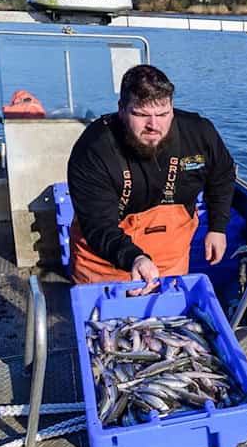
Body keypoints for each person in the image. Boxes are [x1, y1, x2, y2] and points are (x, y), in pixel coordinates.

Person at [67, 64, 235, 291]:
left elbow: (222, 174)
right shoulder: (93, 149)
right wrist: (135, 258)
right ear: (121, 110)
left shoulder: (199, 133)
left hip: (171, 259)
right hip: (104, 263)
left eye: (163, 114)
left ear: (172, 108)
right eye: (141, 114)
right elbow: (98, 224)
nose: (153, 125)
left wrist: (217, 226)